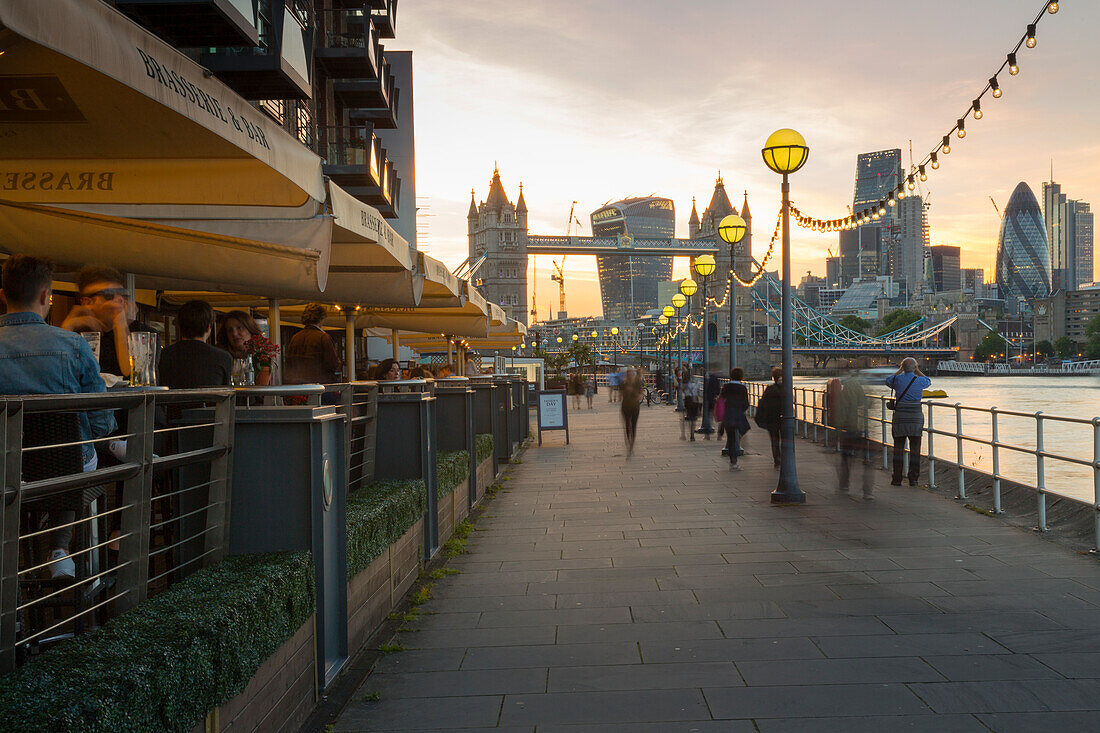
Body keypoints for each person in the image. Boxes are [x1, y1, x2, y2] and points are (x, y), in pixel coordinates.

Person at [0, 255, 116, 578]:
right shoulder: (73, 345)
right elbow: (101, 418)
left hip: (6, 472)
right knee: (78, 453)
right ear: (44, 297)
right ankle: (60, 548)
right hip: (64, 470)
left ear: (2, 295)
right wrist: (104, 437)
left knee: (57, 458)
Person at [61, 263, 154, 380]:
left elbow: (134, 375)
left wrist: (120, 326)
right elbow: (60, 375)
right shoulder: (76, 335)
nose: (119, 299)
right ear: (87, 302)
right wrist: (67, 326)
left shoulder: (143, 334)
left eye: (122, 294)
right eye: (109, 295)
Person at [158, 300, 233, 389]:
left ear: (180, 326)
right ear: (209, 327)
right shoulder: (223, 357)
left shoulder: (164, 354)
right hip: (209, 402)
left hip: (172, 403)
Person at [885, 357, 931, 486]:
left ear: (902, 368)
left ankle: (897, 478)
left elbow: (888, 380)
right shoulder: (920, 380)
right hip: (916, 418)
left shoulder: (897, 379)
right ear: (915, 368)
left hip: (900, 418)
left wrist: (900, 370)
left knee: (898, 448)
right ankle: (913, 479)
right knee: (915, 449)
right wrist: (918, 371)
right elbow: (929, 381)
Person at [835, 370, 873, 499]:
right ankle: (867, 491)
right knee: (865, 459)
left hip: (848, 426)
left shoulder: (846, 386)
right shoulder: (856, 385)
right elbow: (863, 402)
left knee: (846, 457)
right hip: (856, 426)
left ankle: (844, 485)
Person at [284, 303, 341, 385]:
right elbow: (332, 363)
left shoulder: (295, 338)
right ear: (322, 318)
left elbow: (289, 362)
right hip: (320, 385)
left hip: (297, 385)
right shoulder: (323, 337)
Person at [718, 367, 751, 470]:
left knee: (731, 438)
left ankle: (733, 462)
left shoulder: (726, 387)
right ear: (741, 376)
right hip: (738, 415)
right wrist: (740, 409)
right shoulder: (742, 388)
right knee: (743, 429)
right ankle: (739, 442)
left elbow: (721, 400)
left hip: (728, 415)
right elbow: (746, 404)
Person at [755, 366, 784, 468]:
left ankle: (777, 458)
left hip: (772, 418)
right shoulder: (786, 389)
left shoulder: (769, 389)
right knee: (785, 439)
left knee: (774, 440)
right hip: (784, 418)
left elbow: (763, 403)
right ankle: (785, 458)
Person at [620, 367, 643, 456]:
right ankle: (629, 441)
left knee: (633, 425)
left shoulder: (636, 383)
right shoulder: (624, 383)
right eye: (628, 373)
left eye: (631, 373)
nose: (629, 374)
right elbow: (620, 394)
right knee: (627, 425)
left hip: (635, 406)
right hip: (625, 406)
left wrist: (633, 392)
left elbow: (640, 393)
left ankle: (632, 443)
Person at [681, 372, 701, 441]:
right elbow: (698, 392)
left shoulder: (685, 384)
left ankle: (687, 434)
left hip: (688, 400)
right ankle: (692, 435)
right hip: (695, 399)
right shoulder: (696, 383)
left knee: (688, 416)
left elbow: (682, 391)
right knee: (694, 418)